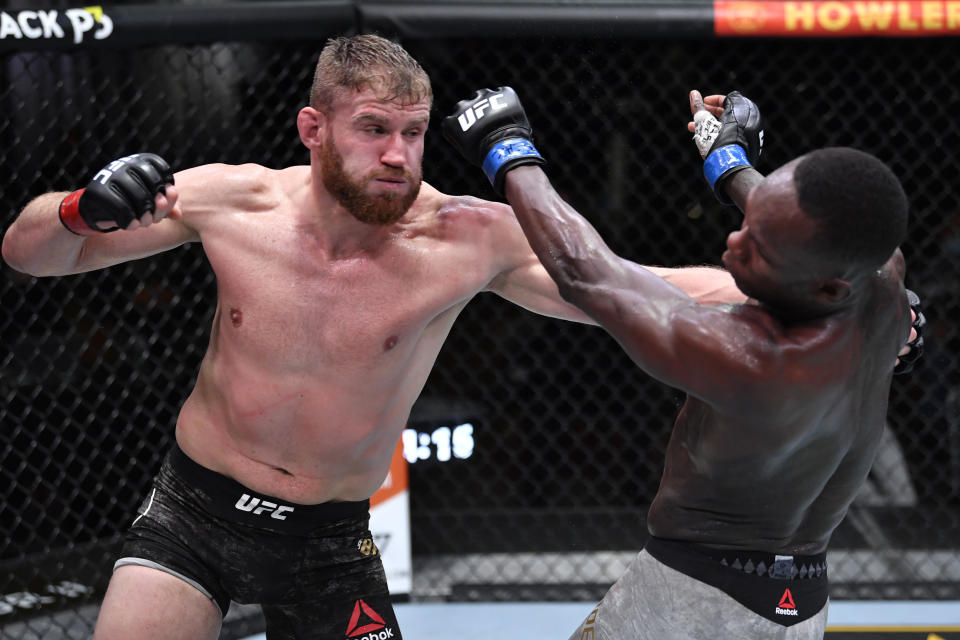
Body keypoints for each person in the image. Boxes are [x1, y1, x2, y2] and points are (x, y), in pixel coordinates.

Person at [1, 35, 756, 640]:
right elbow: (25, 253)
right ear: (313, 129)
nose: (397, 154)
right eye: (373, 129)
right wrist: (75, 209)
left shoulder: (466, 238)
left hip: (329, 541)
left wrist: (818, 296)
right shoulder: (234, 201)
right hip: (191, 513)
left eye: (414, 132)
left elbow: (639, 289)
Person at [442, 86, 922, 639]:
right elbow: (792, 222)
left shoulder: (752, 358)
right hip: (803, 598)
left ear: (828, 285)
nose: (733, 244)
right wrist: (730, 161)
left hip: (700, 601)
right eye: (750, 223)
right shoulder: (882, 274)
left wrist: (507, 148)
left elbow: (585, 275)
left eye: (760, 250)